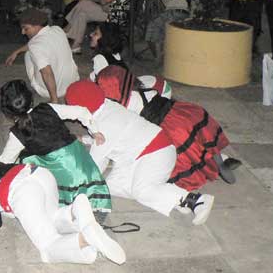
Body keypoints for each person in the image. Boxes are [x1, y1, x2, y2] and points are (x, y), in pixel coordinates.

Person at [65, 80, 215, 225]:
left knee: (142, 191)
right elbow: (112, 138)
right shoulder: (105, 107)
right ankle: (172, 195)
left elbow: (93, 166)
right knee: (110, 185)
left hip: (156, 152)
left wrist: (69, 193)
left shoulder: (105, 123)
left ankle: (196, 200)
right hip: (139, 155)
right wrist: (86, 139)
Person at [0, 145, 126, 265]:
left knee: (48, 247)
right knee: (52, 216)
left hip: (23, 193)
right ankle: (75, 208)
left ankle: (86, 238)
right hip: (38, 174)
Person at [96, 65, 241, 189]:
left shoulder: (124, 107)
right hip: (181, 112)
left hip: (169, 127)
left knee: (177, 160)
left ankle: (212, 166)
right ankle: (220, 157)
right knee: (196, 143)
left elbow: (118, 134)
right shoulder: (142, 85)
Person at [0, 80, 112, 215]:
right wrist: (95, 131)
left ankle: (64, 203)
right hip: (83, 165)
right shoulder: (48, 108)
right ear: (30, 98)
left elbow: (5, 162)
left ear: (8, 111)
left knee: (24, 161)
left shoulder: (17, 134)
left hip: (64, 172)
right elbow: (81, 111)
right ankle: (92, 204)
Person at [5, 8, 79, 102]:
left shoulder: (35, 46)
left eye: (26, 28)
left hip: (50, 92)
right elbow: (34, 43)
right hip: (72, 85)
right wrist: (16, 52)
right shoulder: (57, 29)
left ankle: (45, 90)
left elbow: (47, 73)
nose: (23, 32)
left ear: (36, 26)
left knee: (28, 55)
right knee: (37, 50)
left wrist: (54, 100)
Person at [87, 22, 172, 99]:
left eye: (95, 34)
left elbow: (103, 87)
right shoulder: (115, 55)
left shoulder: (100, 58)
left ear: (105, 39)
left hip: (127, 97)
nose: (91, 35)